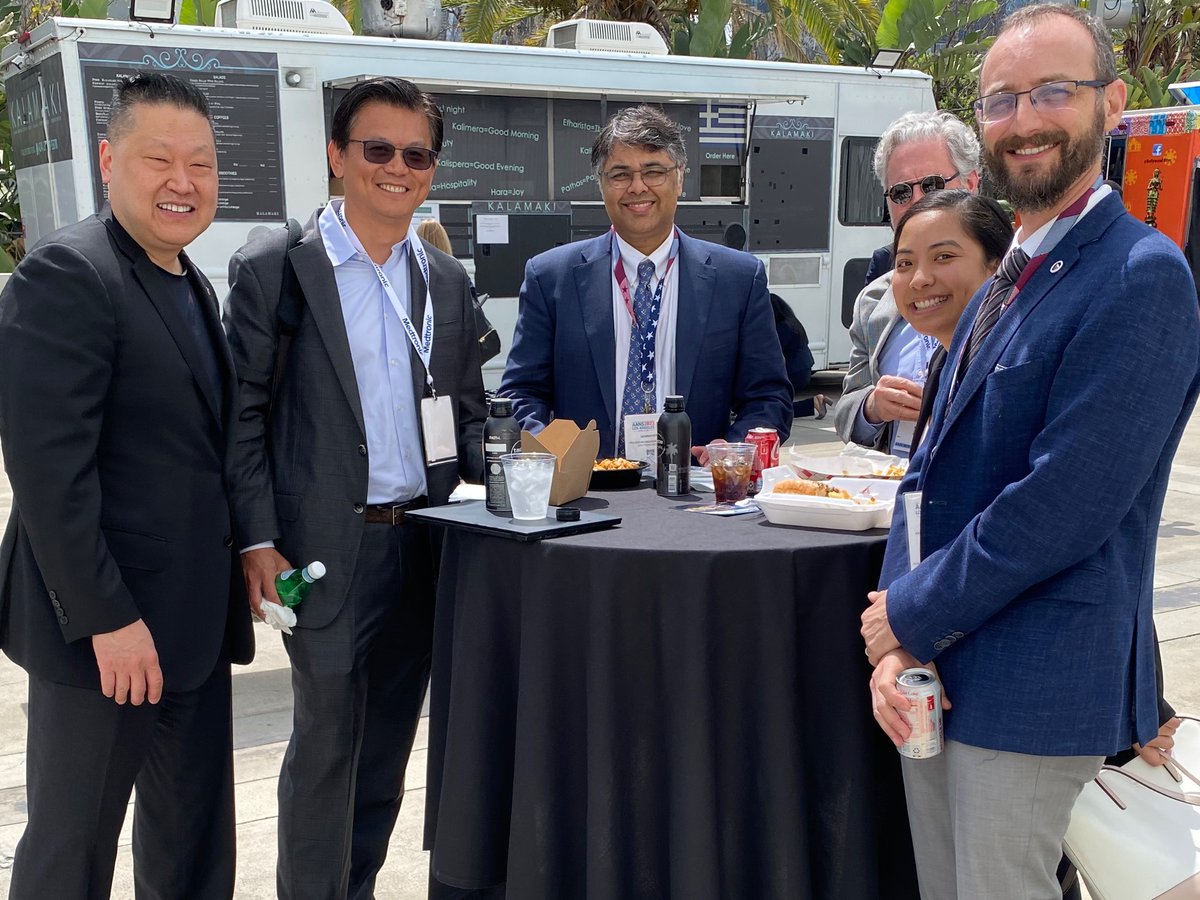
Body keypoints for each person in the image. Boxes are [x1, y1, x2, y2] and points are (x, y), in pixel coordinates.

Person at [861, 5, 1200, 897]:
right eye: (1002, 99)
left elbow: (1064, 504)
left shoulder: (1140, 276)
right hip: (938, 673)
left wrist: (907, 615)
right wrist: (898, 639)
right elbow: (927, 474)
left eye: (1054, 90)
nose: (1025, 118)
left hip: (1033, 689)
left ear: (1113, 103)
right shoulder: (1008, 272)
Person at [223, 76, 486, 899]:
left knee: (387, 750)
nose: (396, 168)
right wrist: (257, 539)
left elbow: (469, 414)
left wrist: (537, 463)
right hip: (324, 551)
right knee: (328, 745)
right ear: (338, 157)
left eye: (416, 154)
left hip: (424, 546)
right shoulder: (279, 267)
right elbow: (244, 417)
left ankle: (359, 886)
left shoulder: (444, 281)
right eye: (377, 150)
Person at [0, 72, 254, 898]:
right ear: (111, 160)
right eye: (159, 160)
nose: (184, 182)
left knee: (191, 846)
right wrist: (108, 618)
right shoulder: (69, 274)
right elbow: (47, 473)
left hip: (190, 631)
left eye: (202, 165)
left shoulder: (188, 278)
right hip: (104, 641)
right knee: (71, 857)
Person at [500, 104, 793, 459]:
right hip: (588, 497)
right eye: (620, 174)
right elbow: (521, 395)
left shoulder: (738, 280)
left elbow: (769, 398)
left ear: (680, 177)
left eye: (653, 171)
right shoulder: (550, 279)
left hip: (695, 494)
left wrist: (731, 450)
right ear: (602, 184)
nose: (637, 187)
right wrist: (552, 453)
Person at [831, 111, 981, 458]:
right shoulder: (875, 300)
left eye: (931, 185)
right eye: (900, 192)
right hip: (888, 496)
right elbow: (845, 410)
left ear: (971, 184)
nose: (917, 202)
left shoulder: (1009, 290)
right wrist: (872, 408)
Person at [887, 191, 1012, 449]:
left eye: (943, 257)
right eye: (905, 263)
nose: (919, 278)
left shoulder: (1010, 368)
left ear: (997, 265)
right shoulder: (944, 363)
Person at [769, 292, 828, 419]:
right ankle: (815, 402)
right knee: (777, 406)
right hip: (802, 369)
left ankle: (814, 403)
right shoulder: (792, 323)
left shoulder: (782, 328)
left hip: (794, 372)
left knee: (775, 410)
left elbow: (774, 353)